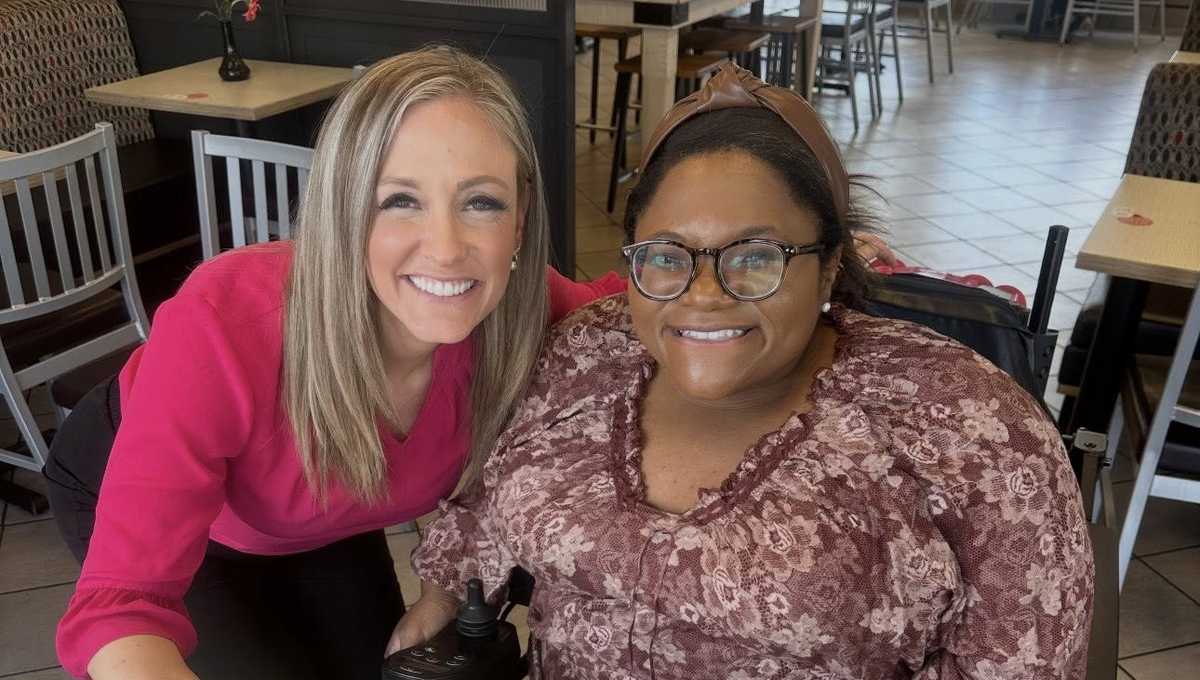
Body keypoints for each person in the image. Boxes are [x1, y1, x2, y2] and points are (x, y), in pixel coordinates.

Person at [401, 64, 1095, 679]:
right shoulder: (583, 356)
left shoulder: (970, 428)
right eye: (668, 256)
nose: (704, 295)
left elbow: (1024, 653)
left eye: (755, 257)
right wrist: (439, 601)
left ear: (828, 263)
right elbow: (488, 509)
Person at [47, 46, 624, 680]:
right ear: (343, 211)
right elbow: (122, 605)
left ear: (520, 221)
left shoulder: (522, 310)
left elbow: (657, 307)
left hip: (322, 514)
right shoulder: (222, 326)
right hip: (154, 489)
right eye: (399, 200)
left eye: (481, 202)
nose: (446, 248)